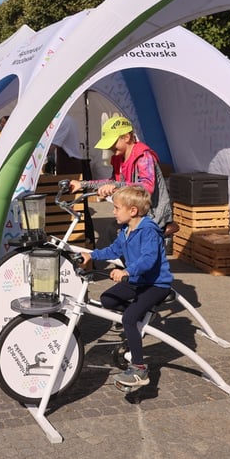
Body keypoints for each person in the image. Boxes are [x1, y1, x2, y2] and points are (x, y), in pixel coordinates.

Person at [79, 185, 173, 388]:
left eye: (116, 208)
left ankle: (140, 369)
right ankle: (140, 319)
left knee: (128, 318)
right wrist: (91, 255)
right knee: (107, 300)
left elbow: (149, 259)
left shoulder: (148, 231)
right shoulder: (125, 230)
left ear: (132, 211)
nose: (113, 212)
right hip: (139, 281)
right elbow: (113, 250)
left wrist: (127, 272)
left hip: (156, 284)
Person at [69, 116, 176, 249]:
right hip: (134, 211)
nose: (110, 147)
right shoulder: (119, 158)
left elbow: (147, 187)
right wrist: (83, 184)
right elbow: (113, 181)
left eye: (112, 143)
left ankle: (132, 268)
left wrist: (116, 186)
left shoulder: (143, 157)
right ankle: (127, 267)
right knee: (113, 232)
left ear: (126, 137)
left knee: (121, 236)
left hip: (151, 213)